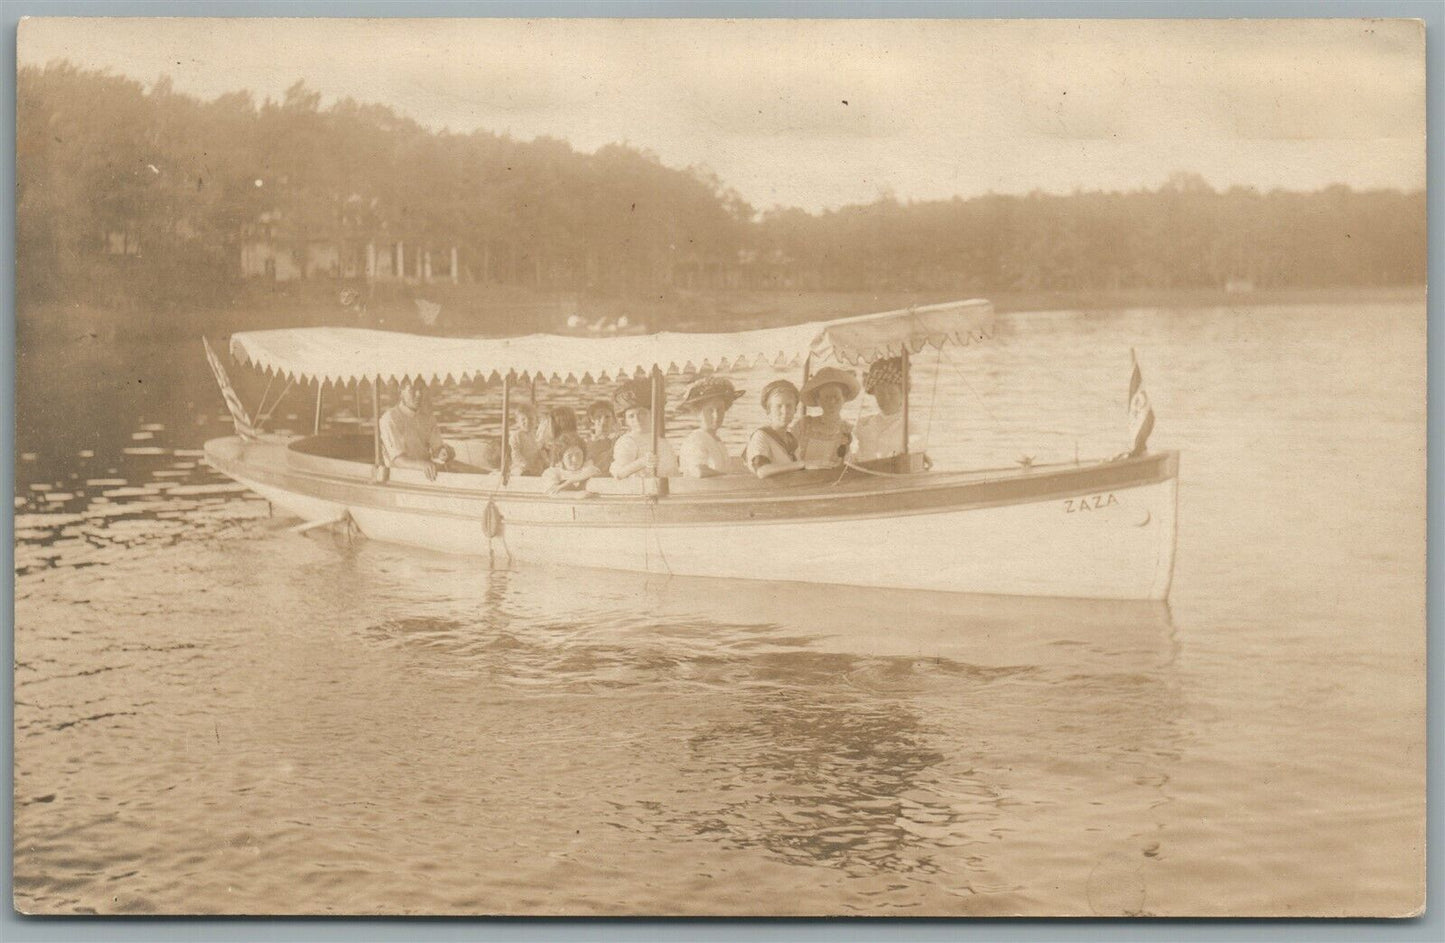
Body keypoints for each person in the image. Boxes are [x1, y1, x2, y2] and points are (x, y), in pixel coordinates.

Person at [379, 377, 453, 481]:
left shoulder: (428, 418)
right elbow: (397, 460)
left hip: (426, 475)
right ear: (401, 391)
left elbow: (437, 449)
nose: (418, 394)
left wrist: (443, 453)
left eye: (421, 389)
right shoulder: (389, 418)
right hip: (398, 479)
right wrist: (423, 465)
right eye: (412, 390)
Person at [609, 379, 678, 479]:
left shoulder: (661, 440)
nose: (637, 419)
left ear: (651, 414)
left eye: (642, 413)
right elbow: (618, 474)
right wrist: (641, 462)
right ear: (626, 420)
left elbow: (673, 472)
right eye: (631, 416)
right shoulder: (627, 441)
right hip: (640, 491)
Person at [676, 376, 744, 478]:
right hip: (700, 491)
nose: (716, 416)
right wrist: (728, 477)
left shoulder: (715, 439)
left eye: (720, 410)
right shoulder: (696, 439)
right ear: (697, 412)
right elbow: (698, 471)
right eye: (710, 411)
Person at [793, 366, 858, 468]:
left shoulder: (849, 431)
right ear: (818, 400)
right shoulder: (804, 425)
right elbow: (788, 458)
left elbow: (849, 468)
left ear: (844, 399)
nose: (832, 402)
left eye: (836, 397)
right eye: (826, 397)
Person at [744, 379, 806, 479]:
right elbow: (762, 471)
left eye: (789, 406)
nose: (784, 411)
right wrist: (800, 464)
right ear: (768, 410)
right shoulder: (761, 436)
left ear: (795, 410)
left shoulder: (792, 439)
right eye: (778, 406)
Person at [854, 356, 906, 461]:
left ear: (902, 394)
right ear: (874, 394)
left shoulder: (910, 426)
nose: (886, 398)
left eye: (892, 393)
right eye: (881, 393)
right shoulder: (864, 424)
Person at [506, 402, 545, 476]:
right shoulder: (516, 436)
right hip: (520, 466)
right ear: (517, 421)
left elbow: (539, 451)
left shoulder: (536, 435)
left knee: (547, 470)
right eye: (523, 419)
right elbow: (515, 454)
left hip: (535, 465)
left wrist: (543, 460)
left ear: (536, 420)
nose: (527, 422)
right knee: (521, 472)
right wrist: (525, 465)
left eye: (531, 419)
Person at [585, 400, 617, 474]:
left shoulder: (620, 441)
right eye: (598, 417)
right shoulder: (585, 443)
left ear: (614, 419)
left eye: (607, 417)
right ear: (592, 419)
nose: (603, 421)